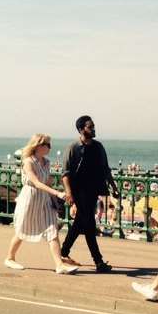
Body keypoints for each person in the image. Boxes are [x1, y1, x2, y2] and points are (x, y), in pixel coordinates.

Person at [4, 133, 76, 274]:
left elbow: (47, 182)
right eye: (47, 145)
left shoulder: (47, 162)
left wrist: (54, 201)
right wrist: (57, 193)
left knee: (52, 230)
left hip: (44, 200)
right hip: (29, 198)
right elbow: (36, 183)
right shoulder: (28, 162)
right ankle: (10, 258)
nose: (50, 147)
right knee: (22, 230)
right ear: (38, 145)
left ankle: (59, 265)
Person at [61, 115, 117, 273]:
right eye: (90, 127)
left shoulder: (99, 147)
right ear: (81, 129)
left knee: (80, 222)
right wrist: (69, 192)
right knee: (89, 225)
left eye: (93, 126)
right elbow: (65, 173)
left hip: (93, 190)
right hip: (78, 191)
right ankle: (98, 261)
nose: (93, 129)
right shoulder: (73, 148)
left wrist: (114, 187)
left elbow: (106, 169)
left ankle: (63, 252)